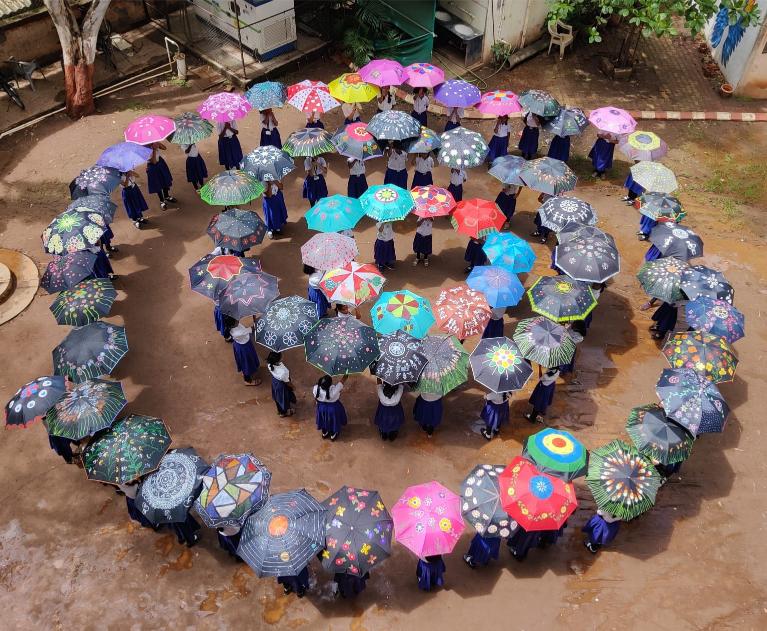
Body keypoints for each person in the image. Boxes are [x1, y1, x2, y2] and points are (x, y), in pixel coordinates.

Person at [313, 374, 349, 441]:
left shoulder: (316, 388)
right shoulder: (334, 390)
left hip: (321, 408)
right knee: (333, 420)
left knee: (323, 419)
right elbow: (342, 382)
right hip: (333, 408)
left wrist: (318, 404)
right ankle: (333, 434)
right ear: (330, 384)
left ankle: (325, 432)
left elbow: (316, 398)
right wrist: (345, 375)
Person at [146, 142, 176, 210]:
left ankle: (167, 196)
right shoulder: (145, 150)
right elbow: (154, 162)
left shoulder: (153, 144)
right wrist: (154, 150)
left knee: (165, 180)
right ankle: (162, 201)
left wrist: (158, 144)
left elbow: (164, 148)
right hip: (153, 168)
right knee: (158, 185)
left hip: (160, 164)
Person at [267, 352, 296, 417]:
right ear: (278, 360)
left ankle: (280, 410)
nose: (282, 354)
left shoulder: (269, 364)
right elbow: (287, 382)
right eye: (281, 355)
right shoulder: (283, 372)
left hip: (275, 382)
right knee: (283, 398)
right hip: (282, 385)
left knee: (278, 397)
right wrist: (293, 386)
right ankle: (284, 413)